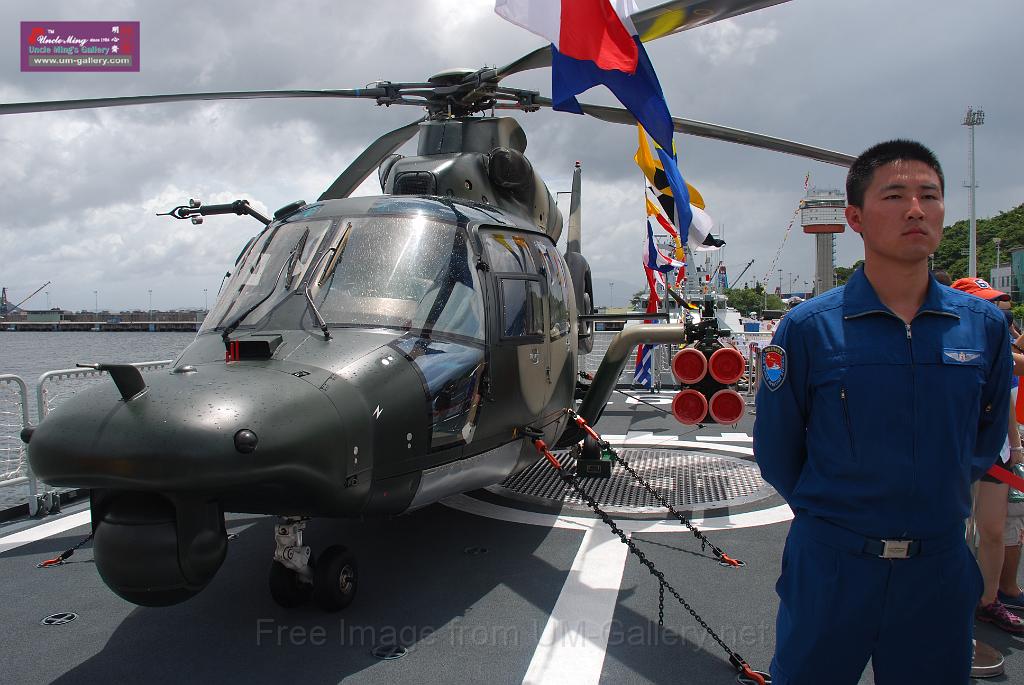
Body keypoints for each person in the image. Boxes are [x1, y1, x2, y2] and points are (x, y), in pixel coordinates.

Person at [754, 140, 1011, 684]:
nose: (916, 209)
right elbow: (777, 448)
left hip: (937, 571)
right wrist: (840, 517)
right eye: (894, 195)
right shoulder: (808, 330)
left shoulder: (981, 327)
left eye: (930, 196)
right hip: (832, 569)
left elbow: (983, 440)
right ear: (855, 218)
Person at [951, 277, 1024, 633]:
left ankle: (989, 600)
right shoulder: (944, 339)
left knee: (993, 529)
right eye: (984, 301)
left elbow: (1007, 397)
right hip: (955, 448)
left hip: (995, 449)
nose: (992, 309)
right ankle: (948, 597)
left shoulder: (997, 343)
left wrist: (1014, 444)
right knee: (954, 528)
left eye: (994, 302)